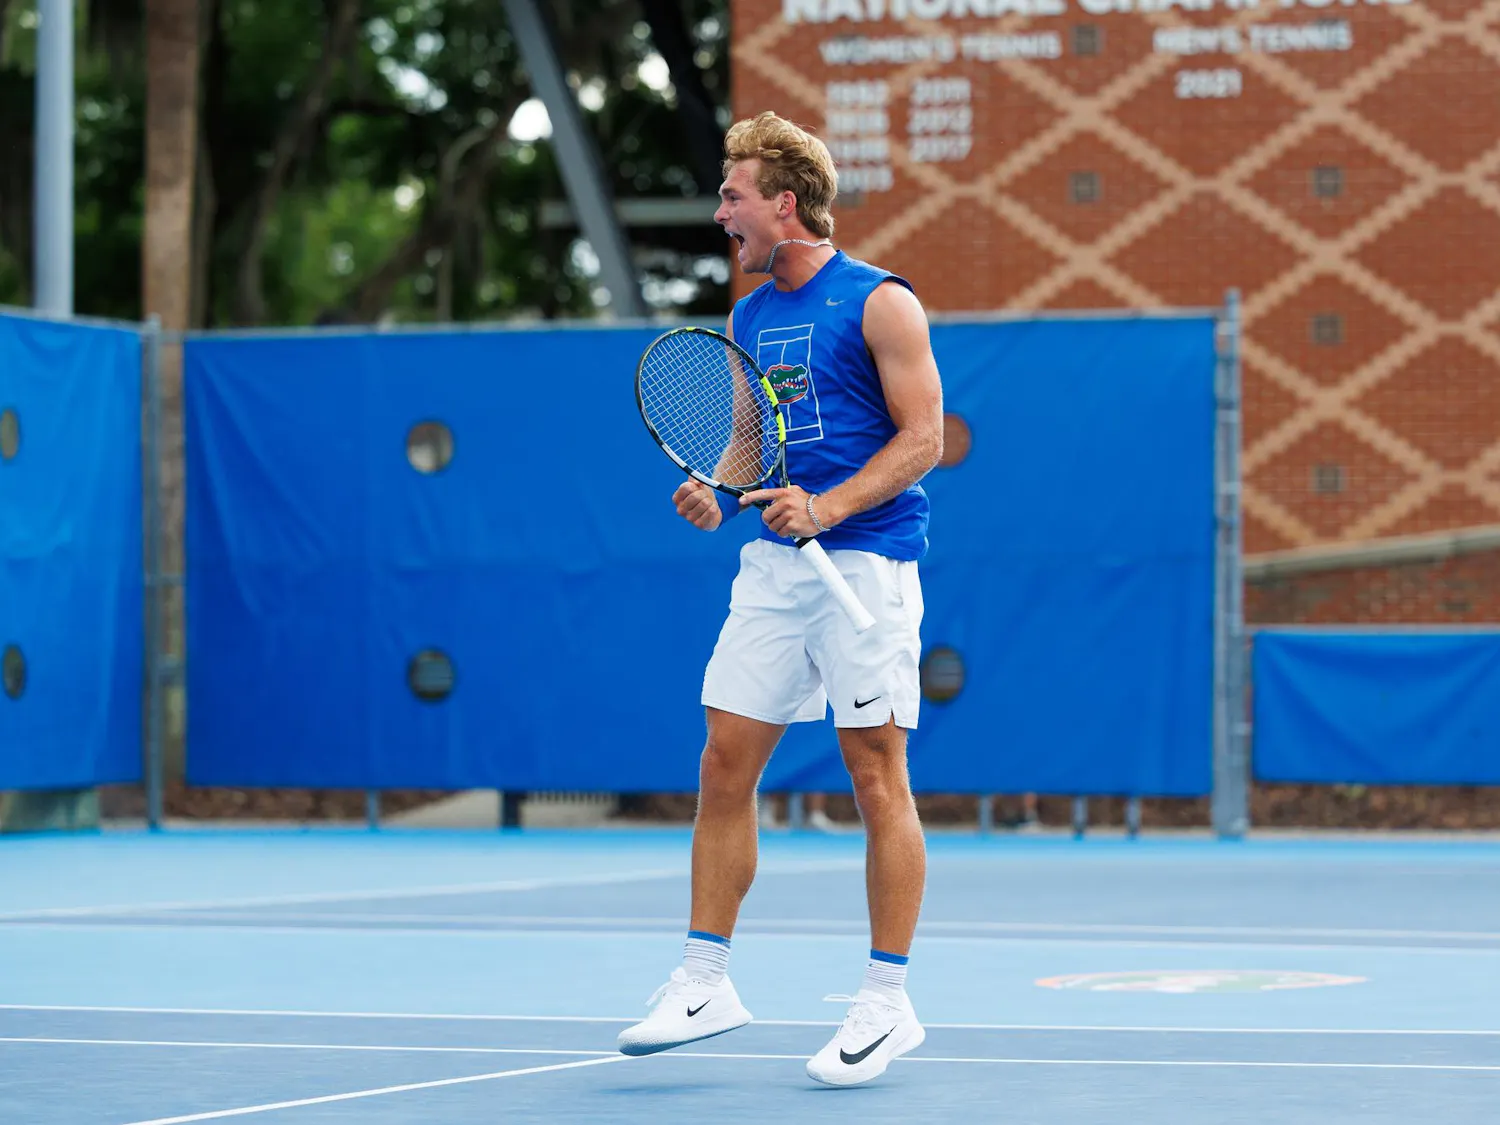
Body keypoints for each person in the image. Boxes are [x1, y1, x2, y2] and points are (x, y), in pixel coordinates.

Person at [617, 111, 945, 1087]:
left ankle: (886, 1003)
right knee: (724, 759)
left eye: (734, 196)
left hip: (868, 570)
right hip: (774, 570)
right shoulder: (748, 318)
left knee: (873, 773)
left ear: (785, 204)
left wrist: (832, 505)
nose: (722, 213)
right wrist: (715, 488)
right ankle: (703, 979)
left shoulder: (882, 304)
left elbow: (924, 436)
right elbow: (752, 444)